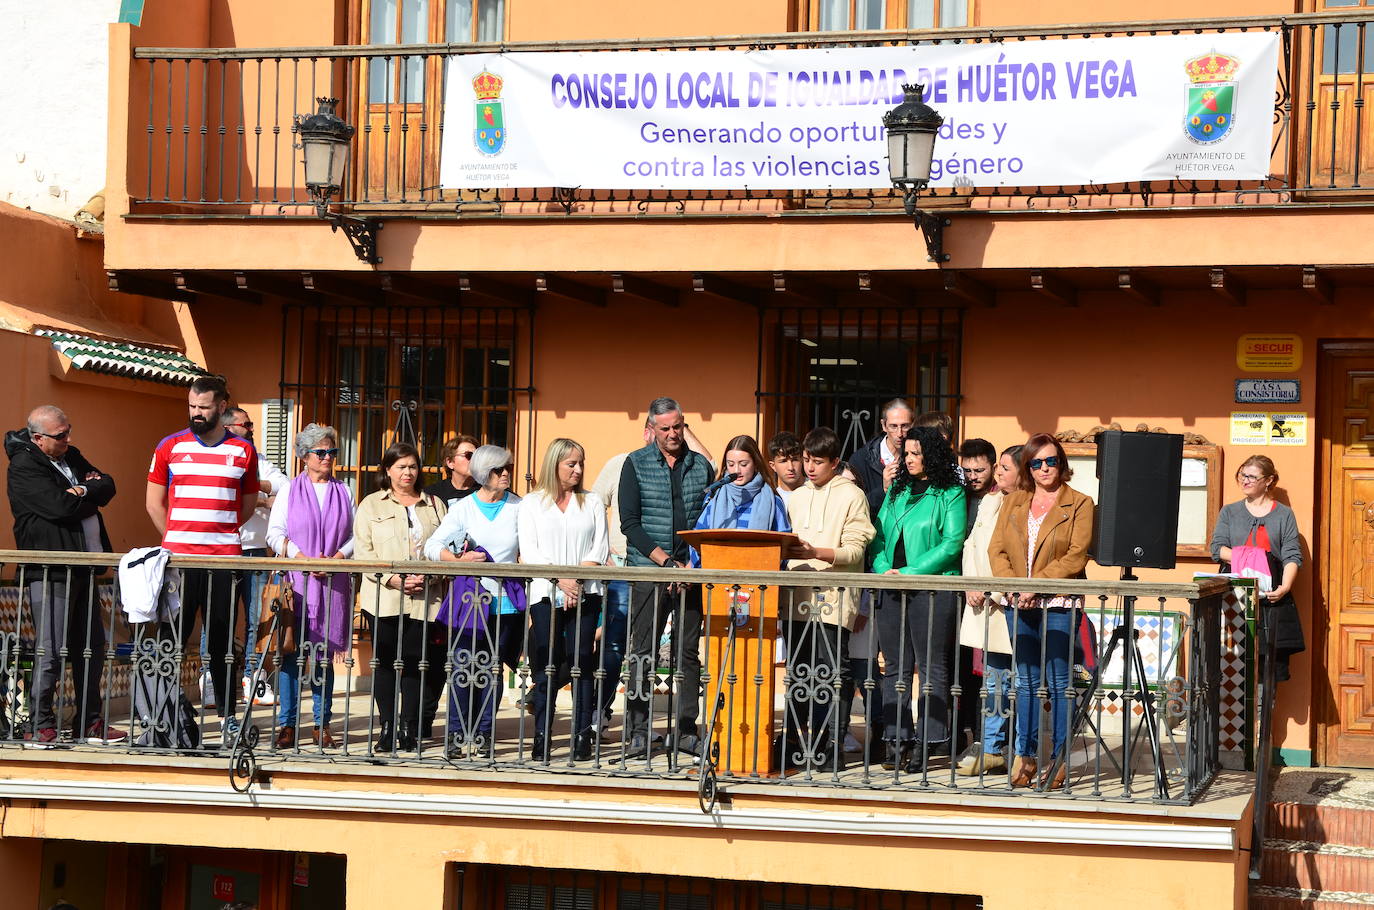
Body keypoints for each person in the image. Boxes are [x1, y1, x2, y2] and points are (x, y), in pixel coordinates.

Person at [146, 376, 259, 741]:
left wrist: (217, 536)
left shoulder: (243, 451)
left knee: (223, 642)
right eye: (192, 407)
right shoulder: (169, 446)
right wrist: (179, 541)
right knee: (171, 639)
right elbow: (153, 503)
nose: (196, 413)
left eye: (204, 407)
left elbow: (245, 506)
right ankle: (162, 714)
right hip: (178, 563)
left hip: (224, 562)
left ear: (222, 407)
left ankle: (228, 719)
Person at [4, 405, 125, 745]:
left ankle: (89, 720)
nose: (68, 439)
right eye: (60, 435)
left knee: (93, 647)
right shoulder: (24, 466)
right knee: (52, 650)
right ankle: (39, 723)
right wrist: (86, 496)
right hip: (52, 571)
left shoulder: (70, 455)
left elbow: (108, 485)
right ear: (38, 438)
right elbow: (58, 507)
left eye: (68, 431)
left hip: (85, 568)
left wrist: (83, 491)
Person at [988, 433, 1095, 790]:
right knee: (1027, 681)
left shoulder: (1080, 503)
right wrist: (1018, 587)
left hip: (1059, 602)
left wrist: (1038, 585)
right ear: (1028, 468)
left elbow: (1076, 555)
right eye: (1036, 462)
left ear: (1061, 464)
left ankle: (1060, 760)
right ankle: (1026, 757)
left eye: (1050, 461)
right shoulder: (1013, 501)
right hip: (1018, 602)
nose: (1044, 468)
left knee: (1061, 684)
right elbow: (997, 549)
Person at [618, 397, 714, 758]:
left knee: (688, 654)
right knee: (642, 654)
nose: (673, 434)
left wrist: (689, 564)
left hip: (689, 573)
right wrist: (664, 564)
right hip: (648, 573)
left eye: (678, 426)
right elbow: (630, 523)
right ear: (652, 429)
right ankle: (638, 731)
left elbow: (707, 522)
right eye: (666, 428)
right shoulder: (635, 463)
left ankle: (687, 730)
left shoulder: (701, 465)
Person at [868, 426, 967, 773]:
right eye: (905, 454)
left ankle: (928, 741)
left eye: (915, 454)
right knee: (893, 667)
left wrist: (911, 570)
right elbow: (877, 536)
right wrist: (883, 568)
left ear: (931, 455)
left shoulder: (950, 492)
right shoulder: (897, 491)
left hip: (932, 587)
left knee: (930, 668)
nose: (907, 460)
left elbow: (952, 543)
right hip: (891, 587)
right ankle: (897, 740)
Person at [781, 426, 876, 769]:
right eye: (806, 459)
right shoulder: (797, 496)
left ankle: (829, 743)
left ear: (835, 462)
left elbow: (855, 550)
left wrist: (815, 551)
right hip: (797, 596)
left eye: (817, 461)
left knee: (830, 672)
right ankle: (792, 740)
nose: (809, 467)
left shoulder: (852, 495)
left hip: (833, 599)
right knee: (797, 671)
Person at [424, 445, 523, 752]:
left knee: (492, 670)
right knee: (463, 668)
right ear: (483, 474)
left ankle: (484, 735)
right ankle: (456, 734)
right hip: (470, 602)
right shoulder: (463, 508)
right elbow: (432, 545)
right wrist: (456, 560)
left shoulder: (519, 506)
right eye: (498, 470)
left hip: (505, 601)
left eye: (507, 467)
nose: (505, 473)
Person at [518, 438, 609, 761]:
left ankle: (582, 737)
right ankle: (541, 736)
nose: (578, 470)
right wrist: (562, 580)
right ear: (554, 465)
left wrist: (577, 582)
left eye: (581, 463)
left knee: (582, 662)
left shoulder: (592, 501)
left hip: (587, 593)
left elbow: (599, 546)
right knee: (547, 665)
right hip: (546, 593)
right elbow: (529, 550)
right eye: (571, 464)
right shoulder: (531, 503)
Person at [264, 424, 353, 749]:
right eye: (321, 452)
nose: (328, 457)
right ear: (304, 456)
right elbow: (274, 533)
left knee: (324, 657)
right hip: (295, 585)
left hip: (332, 584)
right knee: (289, 654)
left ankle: (321, 723)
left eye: (332, 452)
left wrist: (338, 556)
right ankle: (287, 724)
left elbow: (355, 533)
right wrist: (301, 556)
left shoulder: (345, 491)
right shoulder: (290, 490)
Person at [354, 442, 447, 753]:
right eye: (401, 466)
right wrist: (393, 579)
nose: (407, 472)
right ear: (388, 470)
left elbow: (444, 549)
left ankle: (409, 727)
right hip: (383, 597)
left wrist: (429, 577)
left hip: (425, 598)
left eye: (412, 466)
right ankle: (387, 727)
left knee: (413, 663)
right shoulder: (371, 505)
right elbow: (364, 552)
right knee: (384, 663)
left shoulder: (434, 504)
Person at [1209, 455, 1304, 682]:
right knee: (1231, 661)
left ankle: (1262, 718)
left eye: (1252, 476)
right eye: (1242, 475)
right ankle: (1235, 718)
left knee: (1267, 669)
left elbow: (1292, 555)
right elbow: (1217, 549)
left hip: (1271, 599)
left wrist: (1284, 587)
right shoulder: (1229, 512)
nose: (1245, 480)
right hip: (1234, 597)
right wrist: (1249, 560)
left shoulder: (1284, 515)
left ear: (1269, 480)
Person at [956, 444, 1021, 776]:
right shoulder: (990, 502)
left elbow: (1018, 556)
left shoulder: (1026, 506)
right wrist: (972, 583)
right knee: (994, 682)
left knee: (1022, 681)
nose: (998, 474)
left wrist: (993, 589)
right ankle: (993, 747)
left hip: (1011, 602)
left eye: (1004, 469)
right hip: (985, 604)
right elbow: (971, 545)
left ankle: (1023, 749)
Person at [222, 406, 288, 708]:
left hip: (257, 551)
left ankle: (254, 678)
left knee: (255, 621)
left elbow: (285, 490)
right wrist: (263, 498)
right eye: (246, 423)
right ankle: (212, 680)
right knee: (218, 619)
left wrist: (254, 488)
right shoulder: (218, 456)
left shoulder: (260, 460)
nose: (252, 428)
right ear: (228, 426)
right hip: (223, 550)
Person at [692, 435, 791, 552]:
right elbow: (697, 540)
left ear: (755, 464)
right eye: (731, 464)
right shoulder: (713, 497)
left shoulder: (773, 501)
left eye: (743, 464)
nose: (736, 470)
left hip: (759, 569)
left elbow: (784, 544)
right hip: (716, 568)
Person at [848, 398, 915, 520]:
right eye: (893, 426)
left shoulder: (920, 457)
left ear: (913, 425)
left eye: (905, 426)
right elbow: (853, 509)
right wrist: (883, 490)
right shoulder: (861, 459)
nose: (899, 433)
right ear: (884, 425)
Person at [425, 434, 479, 505]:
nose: (474, 460)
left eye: (477, 456)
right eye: (469, 455)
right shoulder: (433, 494)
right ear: (450, 462)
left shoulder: (486, 492)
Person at [766, 431, 805, 504]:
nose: (790, 467)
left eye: (795, 460)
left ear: (802, 460)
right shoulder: (772, 500)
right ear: (773, 466)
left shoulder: (817, 491)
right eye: (783, 461)